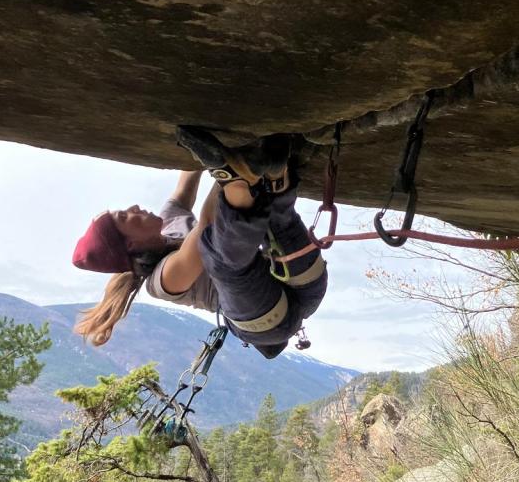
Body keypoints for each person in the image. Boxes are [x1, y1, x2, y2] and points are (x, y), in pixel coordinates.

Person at [71, 130, 328, 359]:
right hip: (267, 322)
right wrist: (225, 174)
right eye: (125, 217)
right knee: (219, 255)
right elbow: (207, 224)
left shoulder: (170, 223)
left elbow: (184, 191)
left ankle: (275, 177)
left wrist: (199, 139)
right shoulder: (161, 281)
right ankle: (245, 179)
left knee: (273, 217)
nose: (134, 207)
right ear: (131, 244)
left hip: (304, 283)